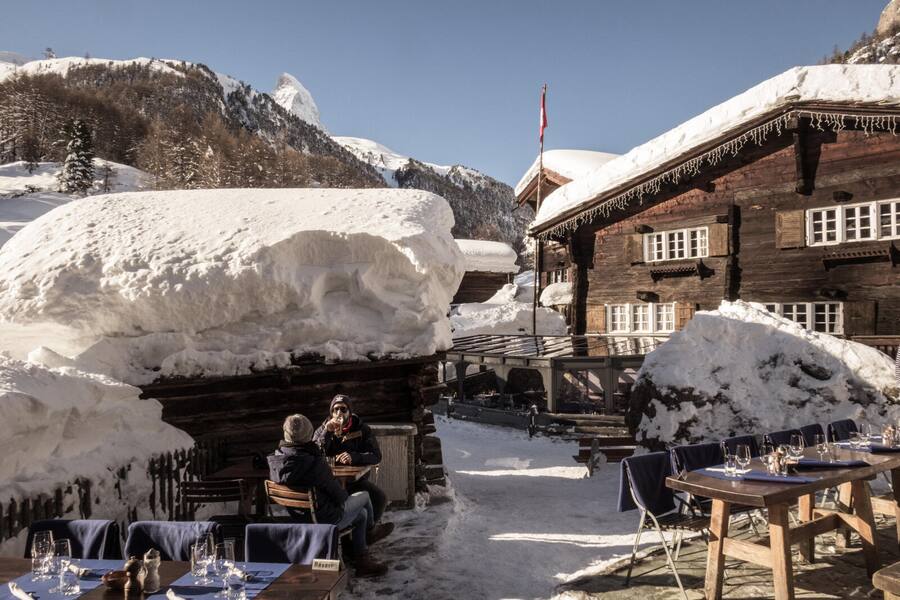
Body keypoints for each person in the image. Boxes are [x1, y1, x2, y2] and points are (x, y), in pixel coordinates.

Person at [268, 413, 389, 577]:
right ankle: (370, 533)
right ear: (308, 434)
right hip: (324, 519)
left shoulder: (275, 461)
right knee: (365, 496)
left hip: (298, 518)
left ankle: (360, 558)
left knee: (361, 514)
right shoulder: (314, 463)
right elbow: (341, 497)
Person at [314, 395, 391, 525]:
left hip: (355, 482)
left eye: (343, 409)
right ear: (331, 412)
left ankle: (369, 531)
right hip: (330, 483)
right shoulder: (323, 429)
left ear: (350, 412)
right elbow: (314, 452)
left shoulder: (361, 429)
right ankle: (348, 531)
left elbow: (376, 456)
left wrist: (354, 457)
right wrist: (327, 432)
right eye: (335, 409)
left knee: (380, 498)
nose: (339, 413)